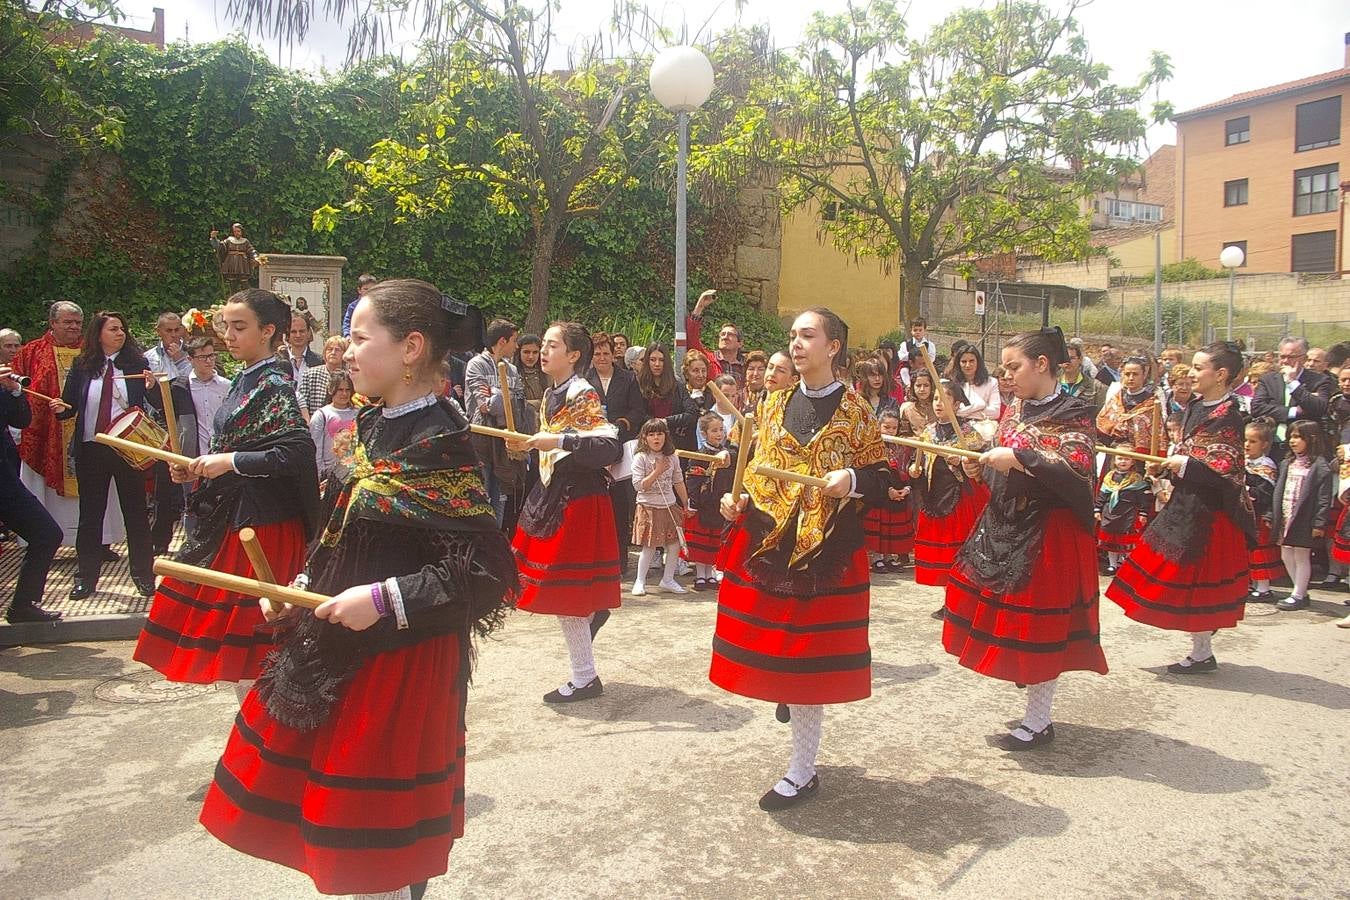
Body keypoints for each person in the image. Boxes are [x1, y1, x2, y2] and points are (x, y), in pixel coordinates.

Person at [200, 278, 516, 899]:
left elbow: (487, 574)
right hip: (347, 647)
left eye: (360, 337)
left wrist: (380, 600)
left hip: (400, 665)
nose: (344, 350)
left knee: (375, 846)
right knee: (341, 834)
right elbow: (350, 529)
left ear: (410, 347)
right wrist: (303, 584)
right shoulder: (375, 422)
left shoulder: (441, 441)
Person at [710, 307, 888, 811]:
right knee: (776, 653)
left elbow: (882, 478)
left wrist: (850, 481)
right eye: (793, 336)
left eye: (809, 335)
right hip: (770, 543)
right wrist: (736, 499)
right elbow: (757, 470)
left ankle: (802, 769)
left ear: (833, 348)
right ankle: (794, 725)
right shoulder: (772, 402)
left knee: (810, 666)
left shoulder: (857, 412)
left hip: (827, 549)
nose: (797, 343)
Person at [134, 289, 319, 692]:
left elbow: (296, 453)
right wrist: (199, 471)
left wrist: (228, 462)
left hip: (262, 526)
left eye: (240, 327)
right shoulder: (248, 377)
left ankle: (269, 734)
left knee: (261, 654)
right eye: (226, 327)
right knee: (249, 657)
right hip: (238, 515)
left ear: (269, 331)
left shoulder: (274, 384)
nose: (229, 336)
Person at [943, 327, 1107, 750]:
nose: (1007, 375)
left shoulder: (1076, 411)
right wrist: (979, 466)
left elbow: (1078, 467)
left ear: (1043, 364)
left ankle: (1039, 720)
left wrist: (1019, 458)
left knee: (1040, 628)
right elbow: (999, 450)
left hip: (1047, 533)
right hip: (1004, 524)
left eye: (1014, 366)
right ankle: (1033, 703)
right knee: (1010, 619)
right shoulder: (1015, 408)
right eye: (1004, 367)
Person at [1106, 341, 1255, 674]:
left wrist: (1181, 464)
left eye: (1199, 368)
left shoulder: (1229, 416)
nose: (1192, 372)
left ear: (1221, 374)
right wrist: (1166, 466)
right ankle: (1202, 649)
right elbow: (1187, 452)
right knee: (1177, 574)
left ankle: (1202, 652)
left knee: (1195, 582)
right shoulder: (1197, 407)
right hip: (1186, 501)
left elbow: (1223, 466)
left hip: (1211, 512)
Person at [508, 322, 622, 703]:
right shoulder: (551, 393)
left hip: (577, 500)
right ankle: (586, 655)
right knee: (565, 594)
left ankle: (585, 676)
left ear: (573, 356)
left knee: (565, 594)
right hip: (557, 493)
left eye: (552, 345)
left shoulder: (580, 392)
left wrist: (557, 439)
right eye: (543, 344)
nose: (543, 350)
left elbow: (608, 446)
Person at [51, 310, 156, 599]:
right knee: (90, 516)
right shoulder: (83, 365)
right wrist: (62, 409)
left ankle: (143, 576)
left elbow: (155, 402)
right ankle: (85, 578)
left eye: (122, 328)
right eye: (113, 329)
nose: (120, 333)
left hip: (127, 447)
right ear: (98, 334)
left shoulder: (137, 364)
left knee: (135, 513)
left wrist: (152, 386)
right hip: (91, 446)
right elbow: (70, 405)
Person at [12, 300, 124, 549]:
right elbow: (19, 388)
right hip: (47, 434)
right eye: (67, 322)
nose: (74, 327)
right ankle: (44, 541)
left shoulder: (93, 353)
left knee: (96, 491)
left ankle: (100, 542)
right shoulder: (32, 352)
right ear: (53, 323)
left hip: (92, 434)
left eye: (78, 323)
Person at [912, 382, 990, 590]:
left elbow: (981, 465)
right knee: (942, 552)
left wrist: (963, 462)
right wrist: (916, 469)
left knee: (960, 547)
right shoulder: (928, 432)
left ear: (956, 405)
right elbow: (920, 459)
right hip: (935, 494)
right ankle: (947, 592)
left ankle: (960, 593)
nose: (939, 404)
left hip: (961, 497)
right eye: (936, 399)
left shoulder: (969, 433)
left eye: (945, 400)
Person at [0, 367, 63, 622]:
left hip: (4, 479)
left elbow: (21, 421)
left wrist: (15, 392)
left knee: (47, 533)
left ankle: (22, 605)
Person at [587, 331, 646, 576]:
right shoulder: (583, 380)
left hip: (620, 447)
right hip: (592, 450)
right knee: (594, 507)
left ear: (614, 355)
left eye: (606, 353)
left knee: (619, 507)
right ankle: (594, 560)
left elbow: (638, 410)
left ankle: (620, 561)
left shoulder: (628, 378)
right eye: (597, 353)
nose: (602, 358)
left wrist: (621, 425)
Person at [465, 318, 524, 526]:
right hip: (481, 440)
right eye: (514, 341)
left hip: (504, 442)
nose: (516, 346)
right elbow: (485, 407)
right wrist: (500, 396)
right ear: (502, 341)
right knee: (482, 495)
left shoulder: (512, 370)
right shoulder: (476, 365)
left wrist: (496, 394)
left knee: (500, 497)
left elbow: (517, 404)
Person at [1271, 421, 1332, 611]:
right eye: (1291, 436)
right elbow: (1278, 490)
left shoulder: (1319, 466)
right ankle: (1301, 590)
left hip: (1304, 517)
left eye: (1297, 437)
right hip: (1286, 514)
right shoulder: (1287, 462)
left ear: (1311, 439)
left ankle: (1297, 594)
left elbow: (1324, 498)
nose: (1292, 441)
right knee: (1286, 553)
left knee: (1301, 555)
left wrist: (1319, 523)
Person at [630, 418, 691, 595]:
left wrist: (686, 502)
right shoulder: (640, 458)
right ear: (645, 438)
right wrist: (657, 471)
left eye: (659, 434)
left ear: (666, 436)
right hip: (648, 506)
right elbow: (639, 486)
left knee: (673, 546)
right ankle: (640, 581)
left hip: (669, 506)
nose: (656, 438)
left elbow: (678, 481)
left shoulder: (672, 457)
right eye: (651, 434)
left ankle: (668, 579)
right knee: (649, 546)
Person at [1251, 338, 1334, 460]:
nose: (1285, 361)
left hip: (1306, 449)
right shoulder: (1268, 380)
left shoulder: (1319, 380)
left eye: (1291, 357)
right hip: (1274, 446)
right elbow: (1257, 408)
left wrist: (1293, 383)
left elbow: (1319, 407)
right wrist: (1294, 411)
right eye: (1282, 356)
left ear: (1304, 359)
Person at [683, 412, 733, 590]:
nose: (719, 434)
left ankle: (711, 573)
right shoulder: (699, 455)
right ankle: (700, 574)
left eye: (721, 430)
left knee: (715, 540)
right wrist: (694, 502)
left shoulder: (727, 453)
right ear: (704, 433)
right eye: (714, 431)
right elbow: (692, 479)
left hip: (719, 502)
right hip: (704, 503)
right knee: (702, 541)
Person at [865, 408, 913, 572]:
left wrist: (906, 488)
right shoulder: (872, 446)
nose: (891, 431)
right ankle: (876, 558)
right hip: (879, 494)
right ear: (878, 426)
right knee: (879, 526)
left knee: (890, 527)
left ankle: (888, 556)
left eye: (894, 428)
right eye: (886, 427)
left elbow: (906, 469)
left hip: (898, 492)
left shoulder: (903, 447)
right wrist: (888, 489)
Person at [1243, 418, 1283, 602]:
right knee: (1247, 551)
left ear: (1265, 444)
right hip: (1245, 514)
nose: (1247, 445)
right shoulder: (1243, 462)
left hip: (1260, 515)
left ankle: (1264, 587)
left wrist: (1246, 489)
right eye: (1245, 440)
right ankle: (1249, 583)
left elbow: (1264, 493)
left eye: (1253, 441)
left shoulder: (1265, 466)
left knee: (1261, 551)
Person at [1096, 451, 1150, 575]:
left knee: (1127, 540)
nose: (1123, 461)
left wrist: (1143, 513)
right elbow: (1103, 495)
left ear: (1132, 462)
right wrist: (1097, 509)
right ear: (1114, 460)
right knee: (1111, 539)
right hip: (1110, 512)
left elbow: (1143, 498)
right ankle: (1112, 564)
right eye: (1120, 458)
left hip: (1128, 513)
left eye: (1127, 459)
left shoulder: (1136, 479)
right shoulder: (1109, 477)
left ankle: (1127, 563)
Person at [1095, 356, 1160, 454]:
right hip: (1114, 452)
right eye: (1127, 374)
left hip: (1139, 456)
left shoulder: (1152, 403)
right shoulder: (1115, 399)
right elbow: (1102, 426)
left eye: (1135, 374)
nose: (1131, 378)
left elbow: (1158, 435)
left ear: (1144, 375)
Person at [309, 371, 359, 497]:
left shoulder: (359, 414)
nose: (344, 394)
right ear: (331, 390)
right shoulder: (321, 415)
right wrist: (320, 476)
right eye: (340, 390)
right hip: (328, 475)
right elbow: (316, 449)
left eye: (347, 390)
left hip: (352, 473)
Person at [638, 344, 694, 446]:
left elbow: (691, 413)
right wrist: (655, 423)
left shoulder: (677, 386)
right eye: (653, 360)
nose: (657, 364)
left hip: (673, 440)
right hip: (646, 439)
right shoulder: (638, 385)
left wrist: (667, 421)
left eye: (661, 360)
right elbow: (638, 413)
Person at [688, 289, 745, 383]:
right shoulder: (707, 360)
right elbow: (691, 339)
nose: (725, 337)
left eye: (730, 334)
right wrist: (699, 307)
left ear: (740, 343)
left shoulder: (747, 366)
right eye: (722, 334)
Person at [297, 335, 348, 421]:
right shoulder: (310, 374)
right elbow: (302, 404)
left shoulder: (349, 376)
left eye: (337, 350)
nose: (333, 352)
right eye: (329, 349)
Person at [948, 345, 1001, 426]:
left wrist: (966, 412)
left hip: (985, 430)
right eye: (964, 362)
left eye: (971, 361)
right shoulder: (952, 384)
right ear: (958, 364)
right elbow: (952, 412)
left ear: (978, 362)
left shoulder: (992, 383)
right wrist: (980, 405)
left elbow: (995, 413)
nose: (968, 365)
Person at [210, 223, 259, 294]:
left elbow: (251, 250)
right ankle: (232, 300)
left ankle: (247, 300)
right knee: (232, 284)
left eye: (238, 231)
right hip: (231, 264)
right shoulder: (229, 240)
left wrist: (256, 257)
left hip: (243, 265)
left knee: (244, 284)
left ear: (242, 231)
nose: (237, 233)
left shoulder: (245, 241)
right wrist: (214, 238)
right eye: (235, 231)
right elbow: (220, 247)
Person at [278, 312, 322, 389]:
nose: (298, 335)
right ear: (287, 335)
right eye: (293, 332)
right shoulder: (278, 361)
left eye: (302, 331)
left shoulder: (320, 362)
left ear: (309, 333)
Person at [895, 318, 937, 387]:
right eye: (915, 330)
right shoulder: (905, 344)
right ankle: (908, 385)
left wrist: (923, 359)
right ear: (911, 331)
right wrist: (911, 355)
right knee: (903, 370)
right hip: (910, 366)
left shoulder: (930, 345)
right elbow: (900, 356)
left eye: (920, 330)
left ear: (925, 331)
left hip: (925, 366)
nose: (918, 332)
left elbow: (932, 358)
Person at [1059, 343, 1101, 412]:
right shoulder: (1052, 384)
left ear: (1080, 359)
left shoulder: (1095, 386)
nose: (1067, 362)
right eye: (1064, 358)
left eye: (1071, 358)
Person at [900, 369, 938, 437]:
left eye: (926, 385)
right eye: (918, 385)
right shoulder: (908, 411)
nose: (922, 389)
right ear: (913, 387)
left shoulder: (939, 406)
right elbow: (904, 435)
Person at [340, 272, 378, 337]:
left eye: (372, 289)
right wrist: (347, 335)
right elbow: (347, 323)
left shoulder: (378, 306)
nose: (369, 291)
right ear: (359, 290)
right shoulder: (353, 306)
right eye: (366, 289)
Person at [514, 333, 547, 407]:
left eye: (535, 352)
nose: (531, 356)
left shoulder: (548, 373)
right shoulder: (511, 373)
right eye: (526, 352)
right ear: (519, 352)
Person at [741, 350, 768, 415]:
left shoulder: (771, 396)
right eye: (751, 369)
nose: (755, 373)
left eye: (760, 369)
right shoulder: (737, 396)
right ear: (745, 371)